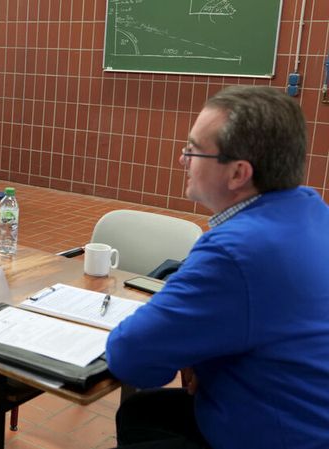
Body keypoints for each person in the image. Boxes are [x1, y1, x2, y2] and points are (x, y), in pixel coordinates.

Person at [106, 85, 329, 449]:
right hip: (300, 412)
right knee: (142, 412)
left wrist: (187, 350)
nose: (182, 160)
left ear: (238, 173)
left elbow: (131, 357)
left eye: (193, 150)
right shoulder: (312, 211)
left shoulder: (236, 251)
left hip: (281, 435)